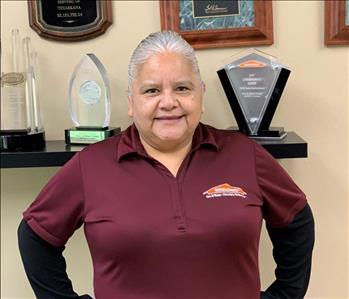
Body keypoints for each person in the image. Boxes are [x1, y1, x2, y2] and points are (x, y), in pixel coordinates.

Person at [18, 31, 314, 299]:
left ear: (200, 96)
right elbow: (35, 236)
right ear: (131, 102)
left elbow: (297, 220)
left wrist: (285, 294)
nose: (168, 102)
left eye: (182, 88)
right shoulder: (91, 165)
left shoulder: (243, 154)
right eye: (152, 91)